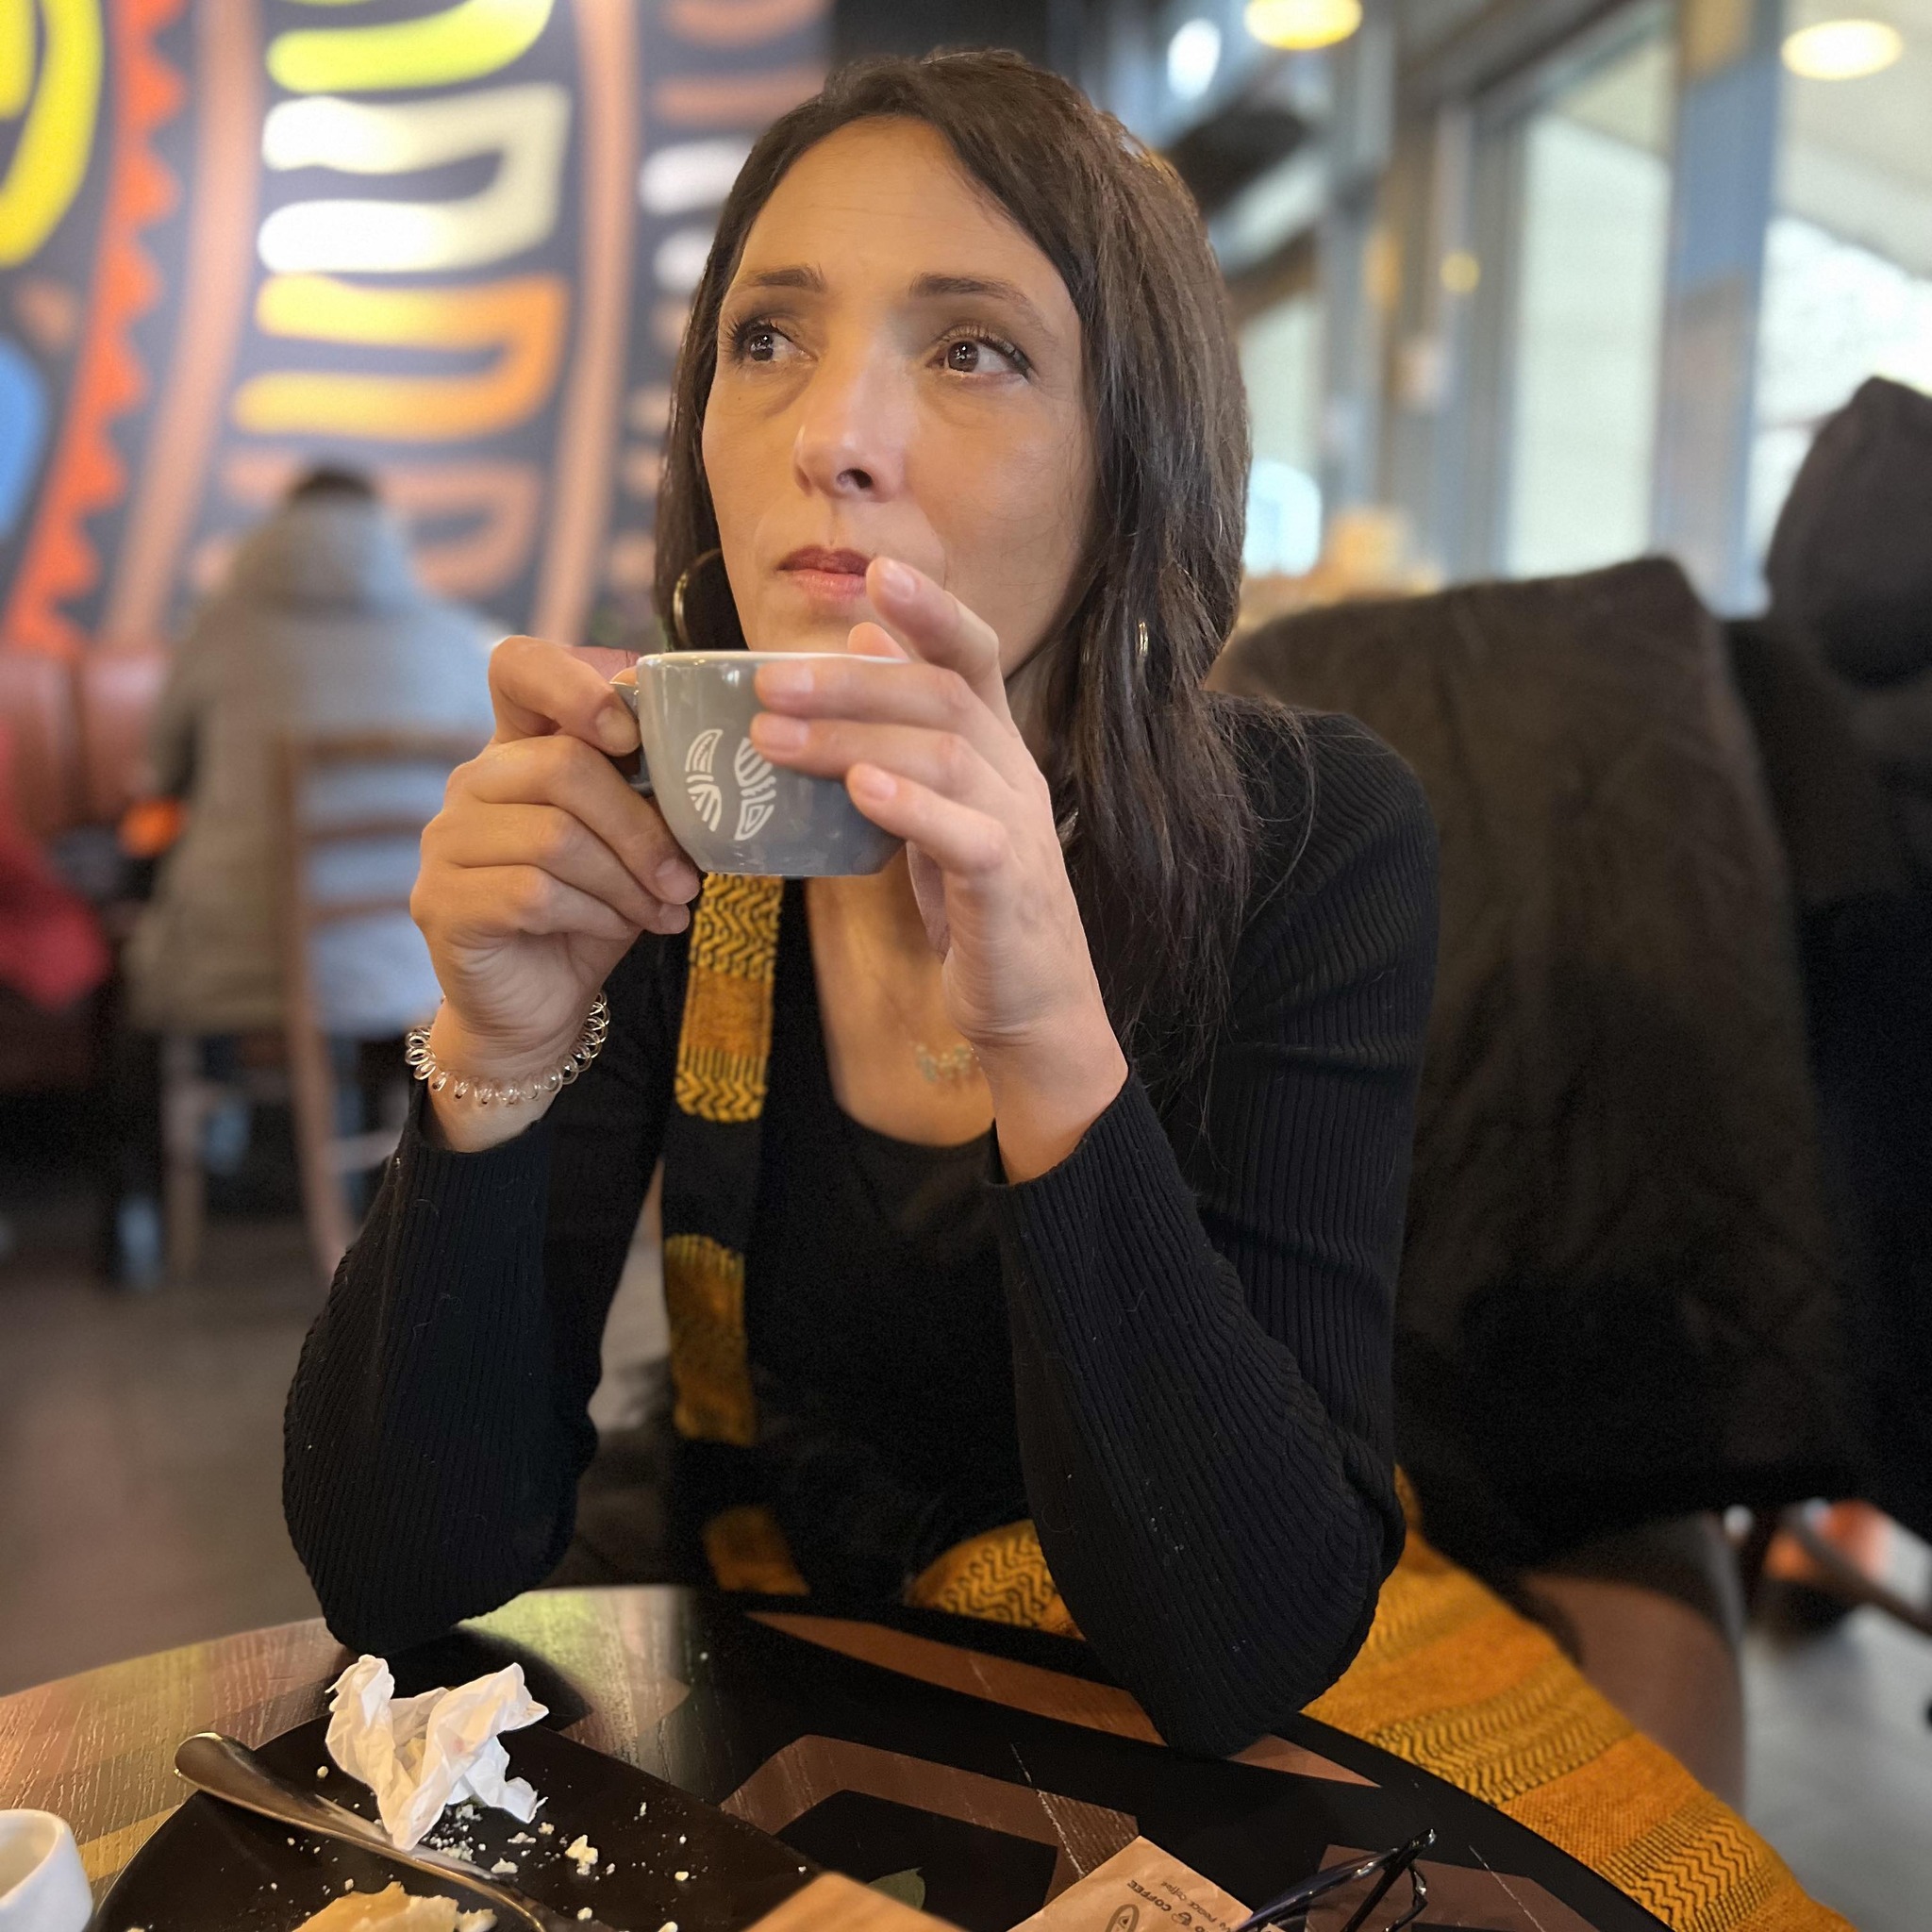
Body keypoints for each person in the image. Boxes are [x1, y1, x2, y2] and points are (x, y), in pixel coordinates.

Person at [284, 53, 1439, 1757]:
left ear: (1135, 457)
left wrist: (1046, 1031)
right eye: (767, 338)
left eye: (972, 349)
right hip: (764, 1683)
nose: (831, 436)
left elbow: (1248, 1646)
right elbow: (399, 1575)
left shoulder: (1310, 835)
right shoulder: (670, 824)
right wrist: (493, 1055)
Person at [126, 465, 497, 1040]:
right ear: (386, 532)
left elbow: (162, 770)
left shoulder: (220, 629)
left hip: (243, 962)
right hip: (432, 962)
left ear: (278, 528)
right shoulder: (456, 639)